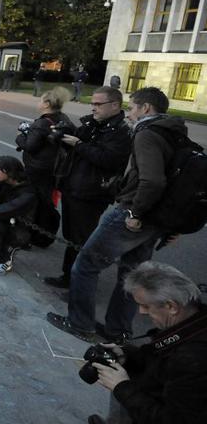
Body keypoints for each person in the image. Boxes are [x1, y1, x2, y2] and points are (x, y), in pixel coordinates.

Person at [47, 87, 186, 343]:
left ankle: (80, 323)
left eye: (132, 108)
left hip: (134, 213)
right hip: (155, 217)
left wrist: (136, 212)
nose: (129, 113)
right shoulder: (174, 132)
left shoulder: (148, 133)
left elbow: (152, 181)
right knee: (133, 275)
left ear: (146, 108)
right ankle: (117, 331)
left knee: (86, 264)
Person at [51, 261, 207, 424]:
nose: (141, 312)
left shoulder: (193, 359)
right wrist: (127, 355)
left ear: (171, 306)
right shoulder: (195, 322)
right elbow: (159, 359)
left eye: (145, 306)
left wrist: (122, 387)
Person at [44, 86, 131, 289]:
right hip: (73, 186)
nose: (93, 108)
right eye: (92, 103)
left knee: (81, 238)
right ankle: (68, 276)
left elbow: (109, 159)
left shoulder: (121, 131)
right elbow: (78, 140)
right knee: (71, 235)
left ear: (115, 105)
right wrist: (64, 135)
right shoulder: (93, 123)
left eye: (98, 104)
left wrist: (78, 144)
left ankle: (76, 283)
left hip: (92, 192)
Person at [14, 86, 75, 206]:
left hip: (37, 168)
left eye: (40, 100)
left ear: (47, 104)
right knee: (47, 196)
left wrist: (20, 136)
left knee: (33, 197)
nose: (39, 103)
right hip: (54, 166)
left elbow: (30, 146)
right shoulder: (63, 118)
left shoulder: (41, 123)